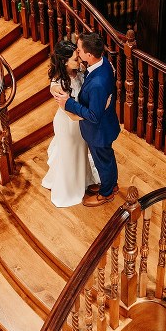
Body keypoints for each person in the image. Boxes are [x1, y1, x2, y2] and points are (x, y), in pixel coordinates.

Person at [55, 32, 121, 207]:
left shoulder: (97, 82)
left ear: (89, 55)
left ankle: (106, 193)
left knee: (103, 161)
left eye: (79, 49)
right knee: (106, 158)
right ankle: (111, 185)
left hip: (99, 131)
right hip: (106, 125)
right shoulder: (104, 64)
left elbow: (93, 115)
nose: (77, 52)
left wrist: (69, 102)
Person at [41, 40, 100, 208]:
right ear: (64, 61)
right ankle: (69, 189)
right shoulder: (57, 85)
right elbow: (71, 114)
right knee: (70, 155)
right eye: (75, 58)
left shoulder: (79, 72)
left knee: (81, 152)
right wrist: (93, 116)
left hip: (81, 120)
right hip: (68, 123)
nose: (79, 60)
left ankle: (84, 181)